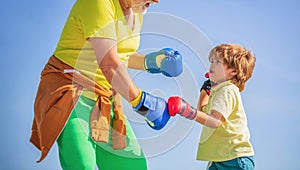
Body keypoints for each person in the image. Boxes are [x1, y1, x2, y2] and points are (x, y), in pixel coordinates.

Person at [30, 0, 183, 169]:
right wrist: (143, 103)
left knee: (133, 165)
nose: (156, 1)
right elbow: (109, 63)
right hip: (72, 94)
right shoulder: (99, 3)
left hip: (105, 99)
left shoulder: (136, 9)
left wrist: (153, 61)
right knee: (82, 165)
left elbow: (119, 54)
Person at [168, 43, 256, 169]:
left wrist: (185, 110)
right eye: (212, 61)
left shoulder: (227, 90)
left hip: (234, 159)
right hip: (219, 159)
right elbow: (203, 112)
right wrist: (205, 90)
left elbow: (214, 121)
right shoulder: (218, 92)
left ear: (233, 71)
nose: (212, 65)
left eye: (218, 62)